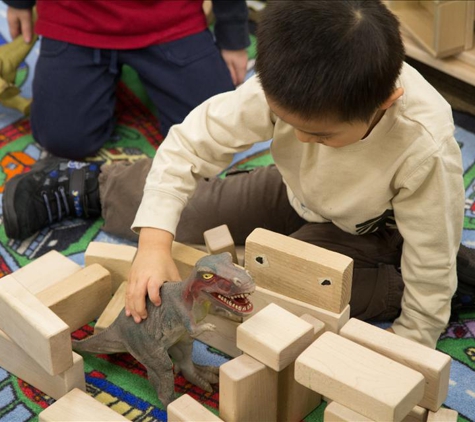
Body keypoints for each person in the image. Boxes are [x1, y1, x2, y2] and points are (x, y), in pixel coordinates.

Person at [3, 0, 474, 349]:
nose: (303, 140)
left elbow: (428, 260)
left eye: (322, 135)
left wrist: (414, 341)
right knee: (192, 216)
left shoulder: (424, 147)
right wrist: (152, 244)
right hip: (296, 193)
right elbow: (187, 144)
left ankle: (456, 278)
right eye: (289, 126)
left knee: (270, 284)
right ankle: (89, 186)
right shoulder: (284, 86)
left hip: (381, 230)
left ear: (385, 103)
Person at [3, 0, 250, 159]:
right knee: (62, 140)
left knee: (215, 137)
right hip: (74, 16)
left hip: (170, 16)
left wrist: (233, 34)